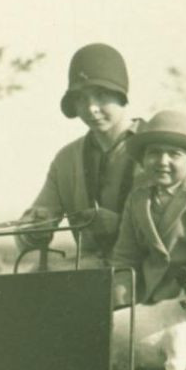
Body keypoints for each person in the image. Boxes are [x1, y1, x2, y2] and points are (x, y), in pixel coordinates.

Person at [18, 43, 142, 270]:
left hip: (151, 277)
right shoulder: (66, 160)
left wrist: (120, 225)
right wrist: (34, 228)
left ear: (121, 94)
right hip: (90, 273)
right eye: (81, 98)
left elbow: (182, 227)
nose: (91, 108)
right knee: (31, 280)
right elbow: (27, 233)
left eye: (101, 95)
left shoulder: (161, 149)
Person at [108, 109, 186, 307]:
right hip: (143, 296)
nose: (162, 162)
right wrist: (121, 304)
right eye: (154, 153)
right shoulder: (138, 198)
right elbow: (125, 258)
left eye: (174, 154)